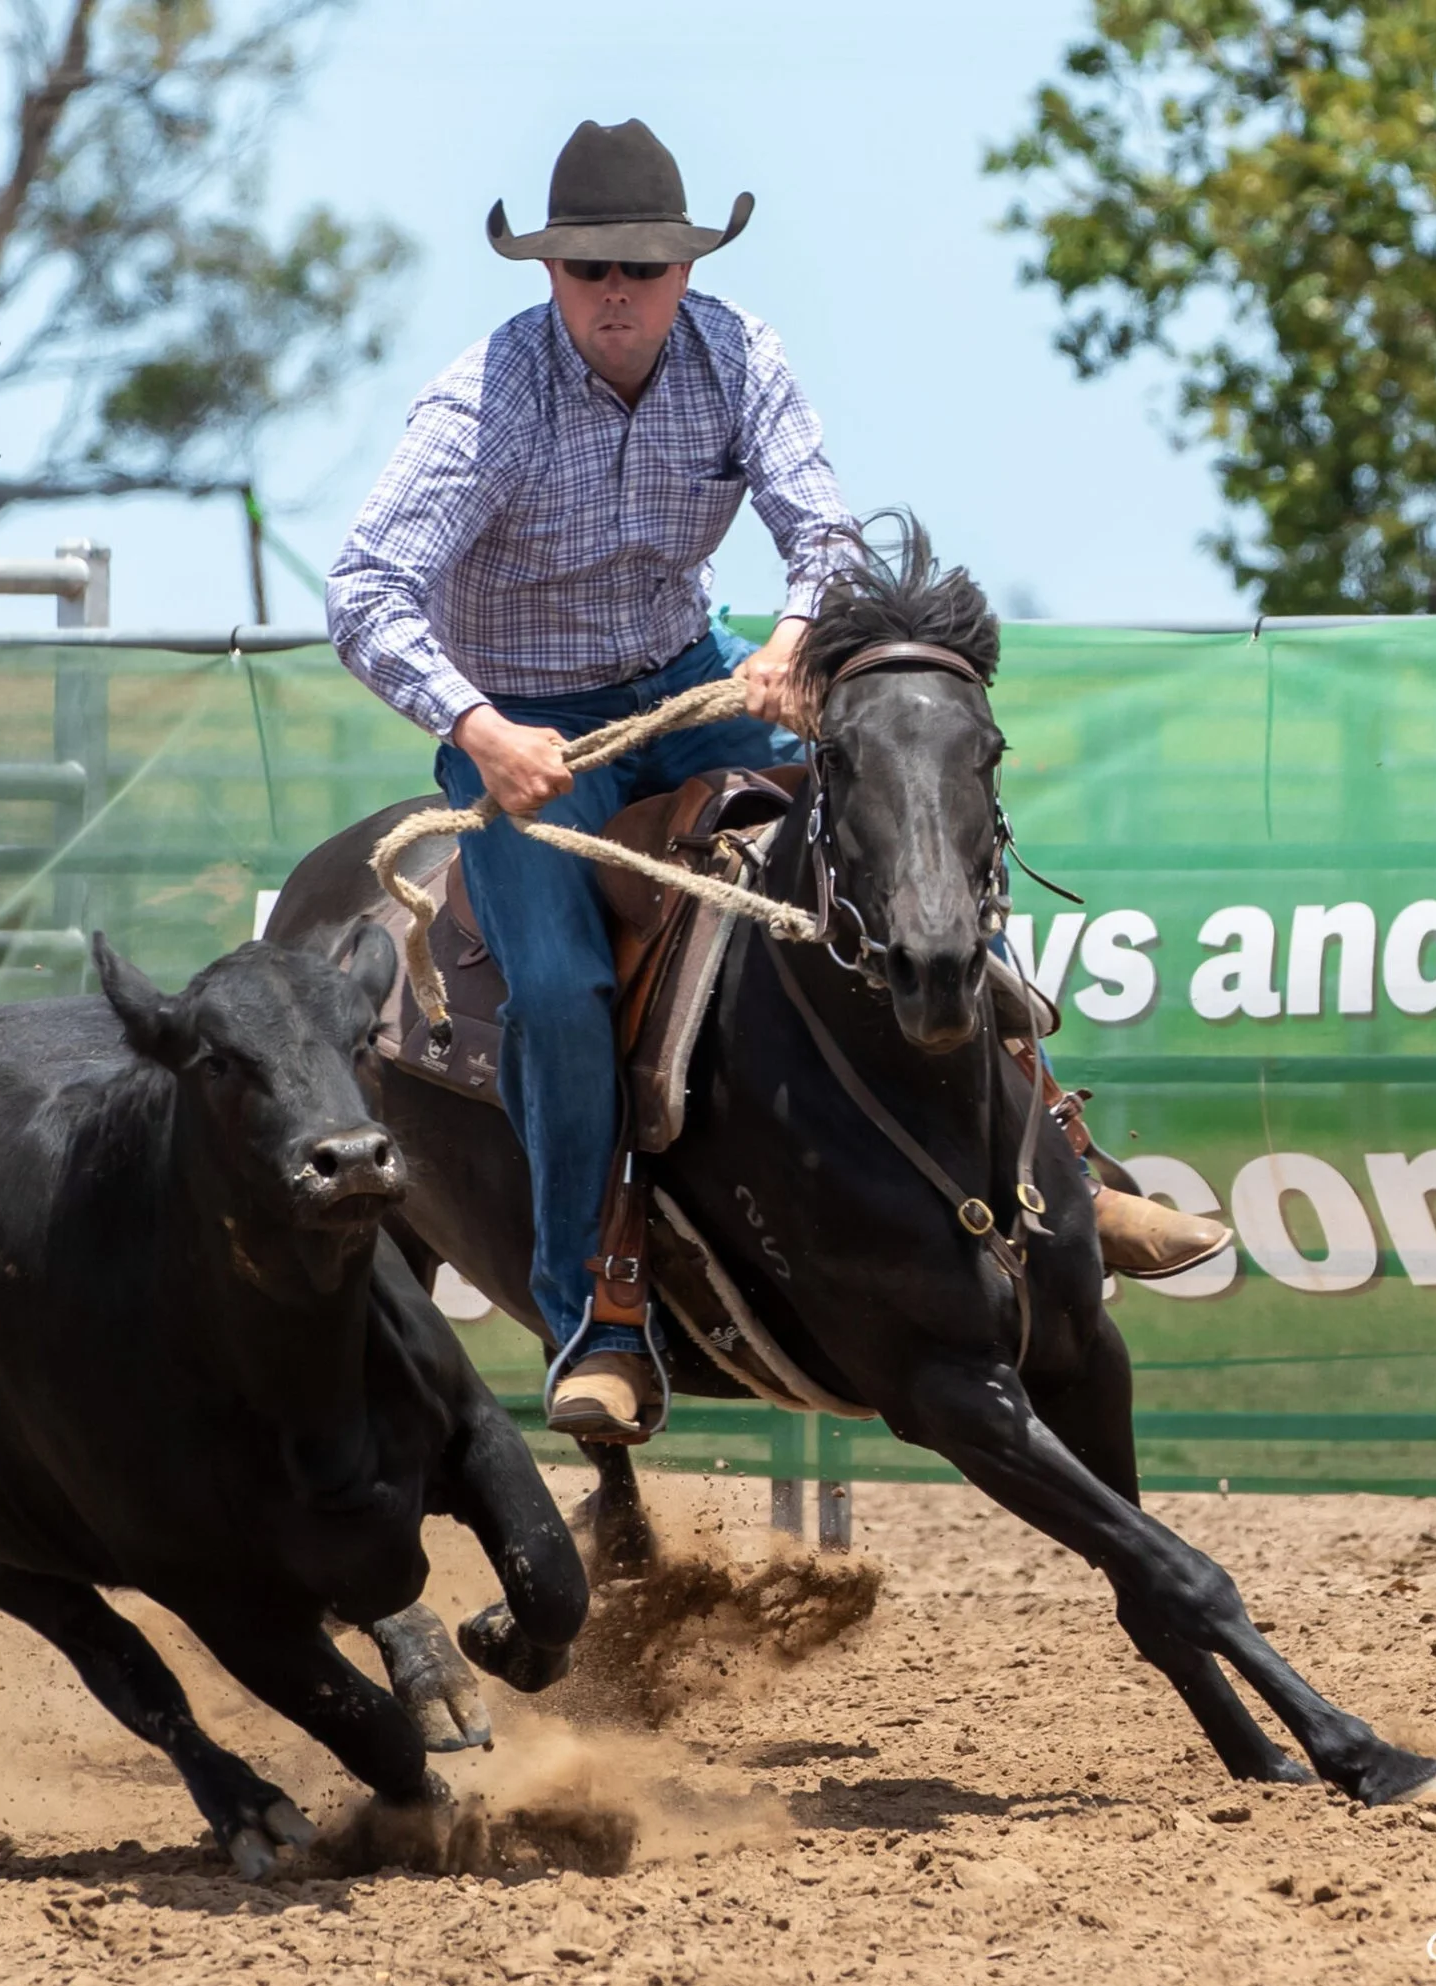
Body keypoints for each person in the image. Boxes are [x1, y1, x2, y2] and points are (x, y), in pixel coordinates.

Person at [330, 119, 1223, 1447]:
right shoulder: (486, 403)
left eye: (643, 266)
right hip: (534, 733)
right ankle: (601, 1314)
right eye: (588, 271)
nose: (617, 292)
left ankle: (1072, 1176)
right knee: (565, 992)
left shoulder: (739, 354)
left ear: (686, 270)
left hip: (690, 679)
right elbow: (365, 587)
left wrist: (801, 637)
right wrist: (479, 725)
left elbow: (822, 533)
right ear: (550, 279)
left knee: (903, 810)